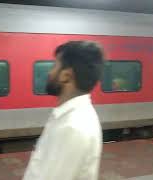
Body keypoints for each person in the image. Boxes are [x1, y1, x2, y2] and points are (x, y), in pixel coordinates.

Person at [23, 41, 104, 180]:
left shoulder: (72, 127)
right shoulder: (68, 117)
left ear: (66, 76)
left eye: (55, 66)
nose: (50, 72)